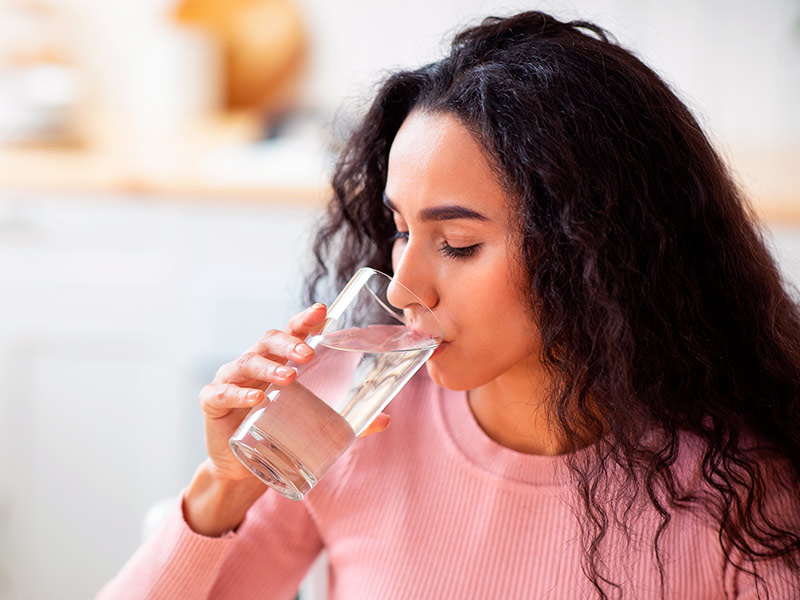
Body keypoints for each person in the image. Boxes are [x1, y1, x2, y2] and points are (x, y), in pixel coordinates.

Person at [98, 10, 800, 599]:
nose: (403, 288)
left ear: (596, 251)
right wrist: (221, 493)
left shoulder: (737, 489)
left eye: (457, 244)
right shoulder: (351, 425)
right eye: (401, 230)